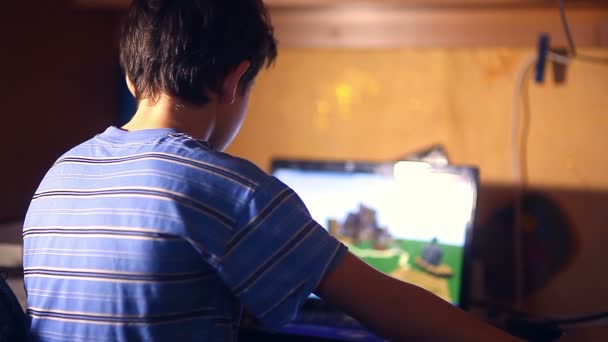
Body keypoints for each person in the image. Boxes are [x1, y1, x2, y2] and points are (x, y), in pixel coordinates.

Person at [22, 0, 518, 341]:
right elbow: (394, 307)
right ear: (236, 80)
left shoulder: (59, 176)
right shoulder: (227, 186)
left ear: (132, 74)